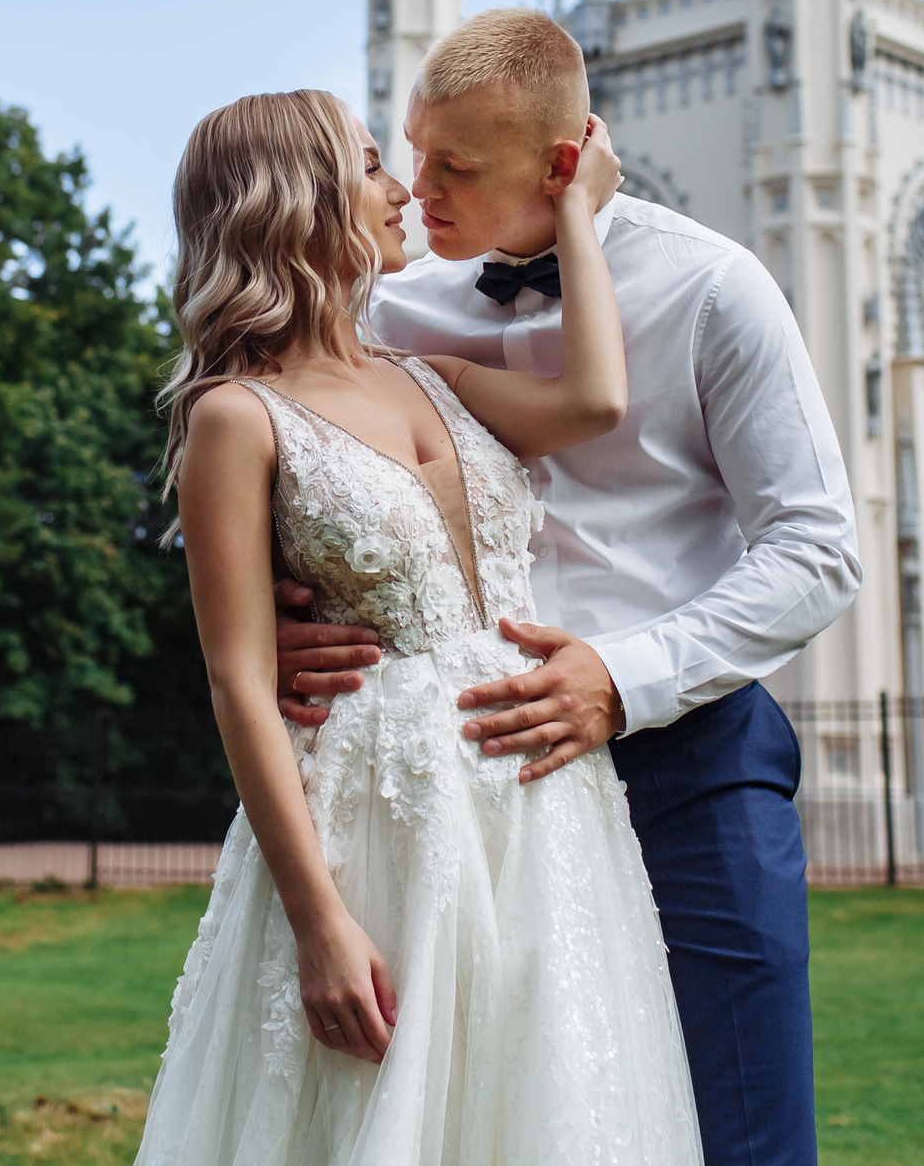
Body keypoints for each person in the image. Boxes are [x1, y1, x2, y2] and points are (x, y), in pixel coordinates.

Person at [275, 8, 862, 1166]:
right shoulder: (387, 310)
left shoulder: (711, 289)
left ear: (560, 164)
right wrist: (291, 620)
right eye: (410, 152)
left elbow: (816, 548)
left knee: (741, 1131)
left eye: (457, 168)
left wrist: (621, 676)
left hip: (688, 765)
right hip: (465, 782)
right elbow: (289, 485)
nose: (417, 191)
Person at [133, 87, 699, 1165]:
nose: (402, 192)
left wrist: (577, 211)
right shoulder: (233, 418)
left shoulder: (430, 379)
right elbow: (242, 683)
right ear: (294, 201)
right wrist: (319, 924)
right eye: (369, 168)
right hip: (375, 828)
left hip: (542, 812)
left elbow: (591, 400)